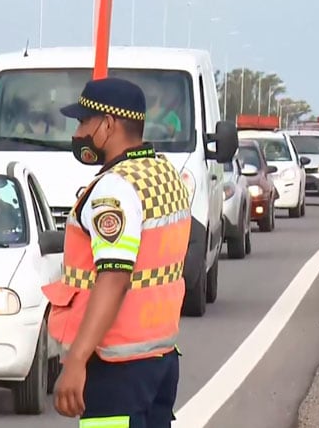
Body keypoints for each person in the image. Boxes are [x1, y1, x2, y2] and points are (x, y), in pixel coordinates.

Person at [42, 77, 192, 427]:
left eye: (82, 122)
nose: (77, 133)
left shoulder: (115, 189)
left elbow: (114, 277)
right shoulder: (163, 174)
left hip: (115, 365)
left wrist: (77, 359)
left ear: (108, 125)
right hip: (160, 356)